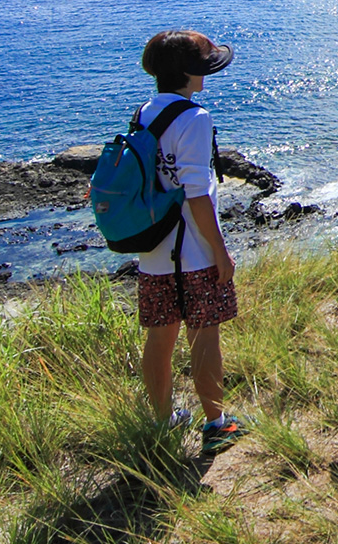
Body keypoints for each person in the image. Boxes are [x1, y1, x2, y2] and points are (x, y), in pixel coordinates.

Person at [134, 29, 247, 457]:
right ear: (187, 72)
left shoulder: (145, 112)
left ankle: (163, 419)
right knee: (205, 337)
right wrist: (219, 250)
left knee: (159, 340)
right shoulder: (194, 119)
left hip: (153, 250)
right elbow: (197, 194)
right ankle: (216, 424)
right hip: (193, 252)